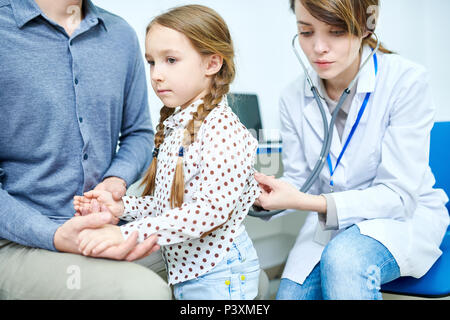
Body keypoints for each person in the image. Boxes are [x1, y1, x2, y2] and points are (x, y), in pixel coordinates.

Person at [254, 0, 449, 300]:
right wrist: (259, 198)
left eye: (336, 31)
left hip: (402, 217)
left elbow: (398, 195)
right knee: (289, 296)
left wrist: (315, 203)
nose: (318, 47)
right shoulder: (292, 97)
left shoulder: (405, 81)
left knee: (344, 260)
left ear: (366, 27)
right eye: (306, 32)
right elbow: (299, 179)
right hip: (330, 226)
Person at [73, 4, 262, 300]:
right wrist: (121, 209)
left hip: (219, 276)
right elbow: (172, 207)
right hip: (192, 272)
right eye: (151, 62)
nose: (157, 75)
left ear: (212, 64)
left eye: (171, 60)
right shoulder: (180, 127)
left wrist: (124, 233)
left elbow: (205, 214)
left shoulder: (223, 131)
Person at [0, 0, 171, 299]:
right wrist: (53, 235)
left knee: (235, 272)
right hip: (17, 239)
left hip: (105, 228)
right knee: (143, 293)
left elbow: (138, 133)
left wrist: (114, 181)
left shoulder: (120, 35)